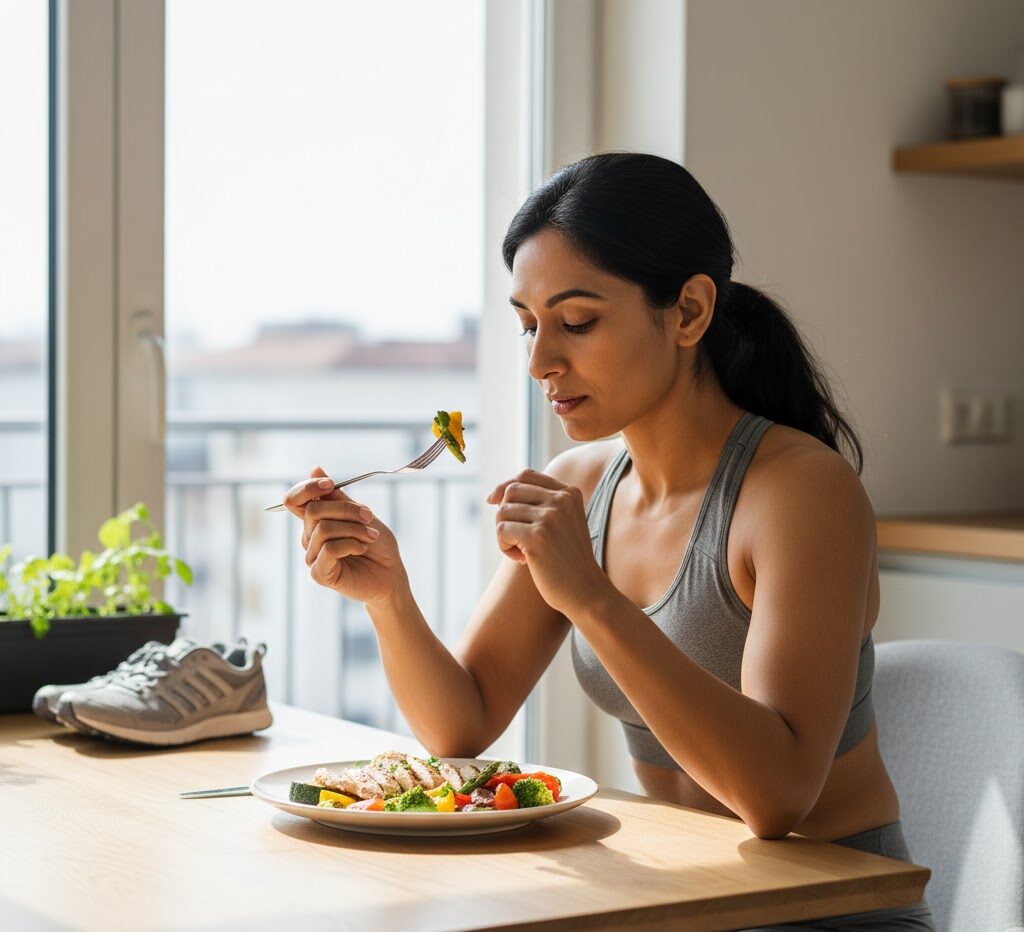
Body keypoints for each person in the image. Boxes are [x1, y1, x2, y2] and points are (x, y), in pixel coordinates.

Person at [284, 153, 935, 930]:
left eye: (578, 322)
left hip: (825, 915)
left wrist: (590, 596)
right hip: (672, 904)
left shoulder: (801, 493)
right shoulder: (583, 484)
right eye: (528, 325)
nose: (539, 362)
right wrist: (387, 596)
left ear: (690, 312)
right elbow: (461, 724)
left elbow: (777, 798)